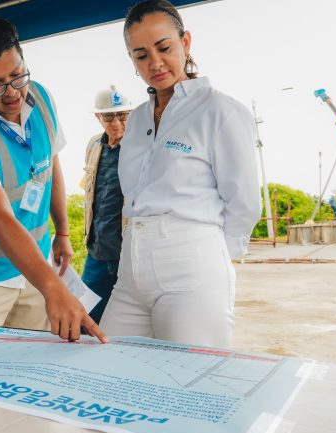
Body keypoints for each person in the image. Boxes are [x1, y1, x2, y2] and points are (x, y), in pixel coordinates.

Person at [0, 16, 106, 343]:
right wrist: (53, 288)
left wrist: (62, 232)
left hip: (35, 267)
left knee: (30, 367)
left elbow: (50, 163)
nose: (12, 92)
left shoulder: (39, 98)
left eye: (17, 75)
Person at [100, 0, 261, 348]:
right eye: (141, 55)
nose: (155, 63)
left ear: (185, 43)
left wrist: (213, 258)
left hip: (192, 263)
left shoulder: (221, 112)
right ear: (132, 60)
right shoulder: (138, 119)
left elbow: (244, 203)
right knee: (108, 370)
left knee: (190, 380)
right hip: (131, 266)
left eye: (164, 47)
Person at [80, 85, 133, 323]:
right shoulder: (94, 145)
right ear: (98, 117)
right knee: (85, 320)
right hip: (98, 254)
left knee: (129, 324)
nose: (116, 122)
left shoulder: (142, 146)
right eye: (108, 116)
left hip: (130, 255)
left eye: (122, 115)